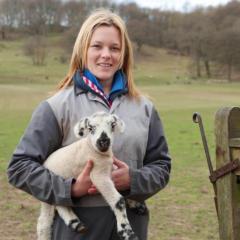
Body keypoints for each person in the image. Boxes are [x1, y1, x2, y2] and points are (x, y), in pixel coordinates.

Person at [7, 9, 171, 240]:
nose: (106, 54)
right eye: (97, 46)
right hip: (78, 233)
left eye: (114, 48)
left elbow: (161, 167)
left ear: (124, 54)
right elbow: (19, 168)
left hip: (131, 229)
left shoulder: (145, 109)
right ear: (83, 49)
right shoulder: (56, 107)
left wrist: (133, 180)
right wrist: (69, 189)